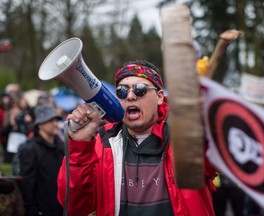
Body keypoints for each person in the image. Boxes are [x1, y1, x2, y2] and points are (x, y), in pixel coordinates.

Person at [57, 60, 217, 216]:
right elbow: (75, 207)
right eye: (122, 91)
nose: (131, 96)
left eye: (140, 89)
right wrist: (79, 148)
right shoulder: (101, 144)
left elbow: (221, 154)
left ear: (160, 97)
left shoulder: (185, 137)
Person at [17, 103, 64, 216]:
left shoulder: (61, 146)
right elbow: (27, 184)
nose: (55, 124)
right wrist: (33, 210)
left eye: (55, 120)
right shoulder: (29, 148)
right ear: (39, 124)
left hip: (62, 207)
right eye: (50, 120)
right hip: (41, 210)